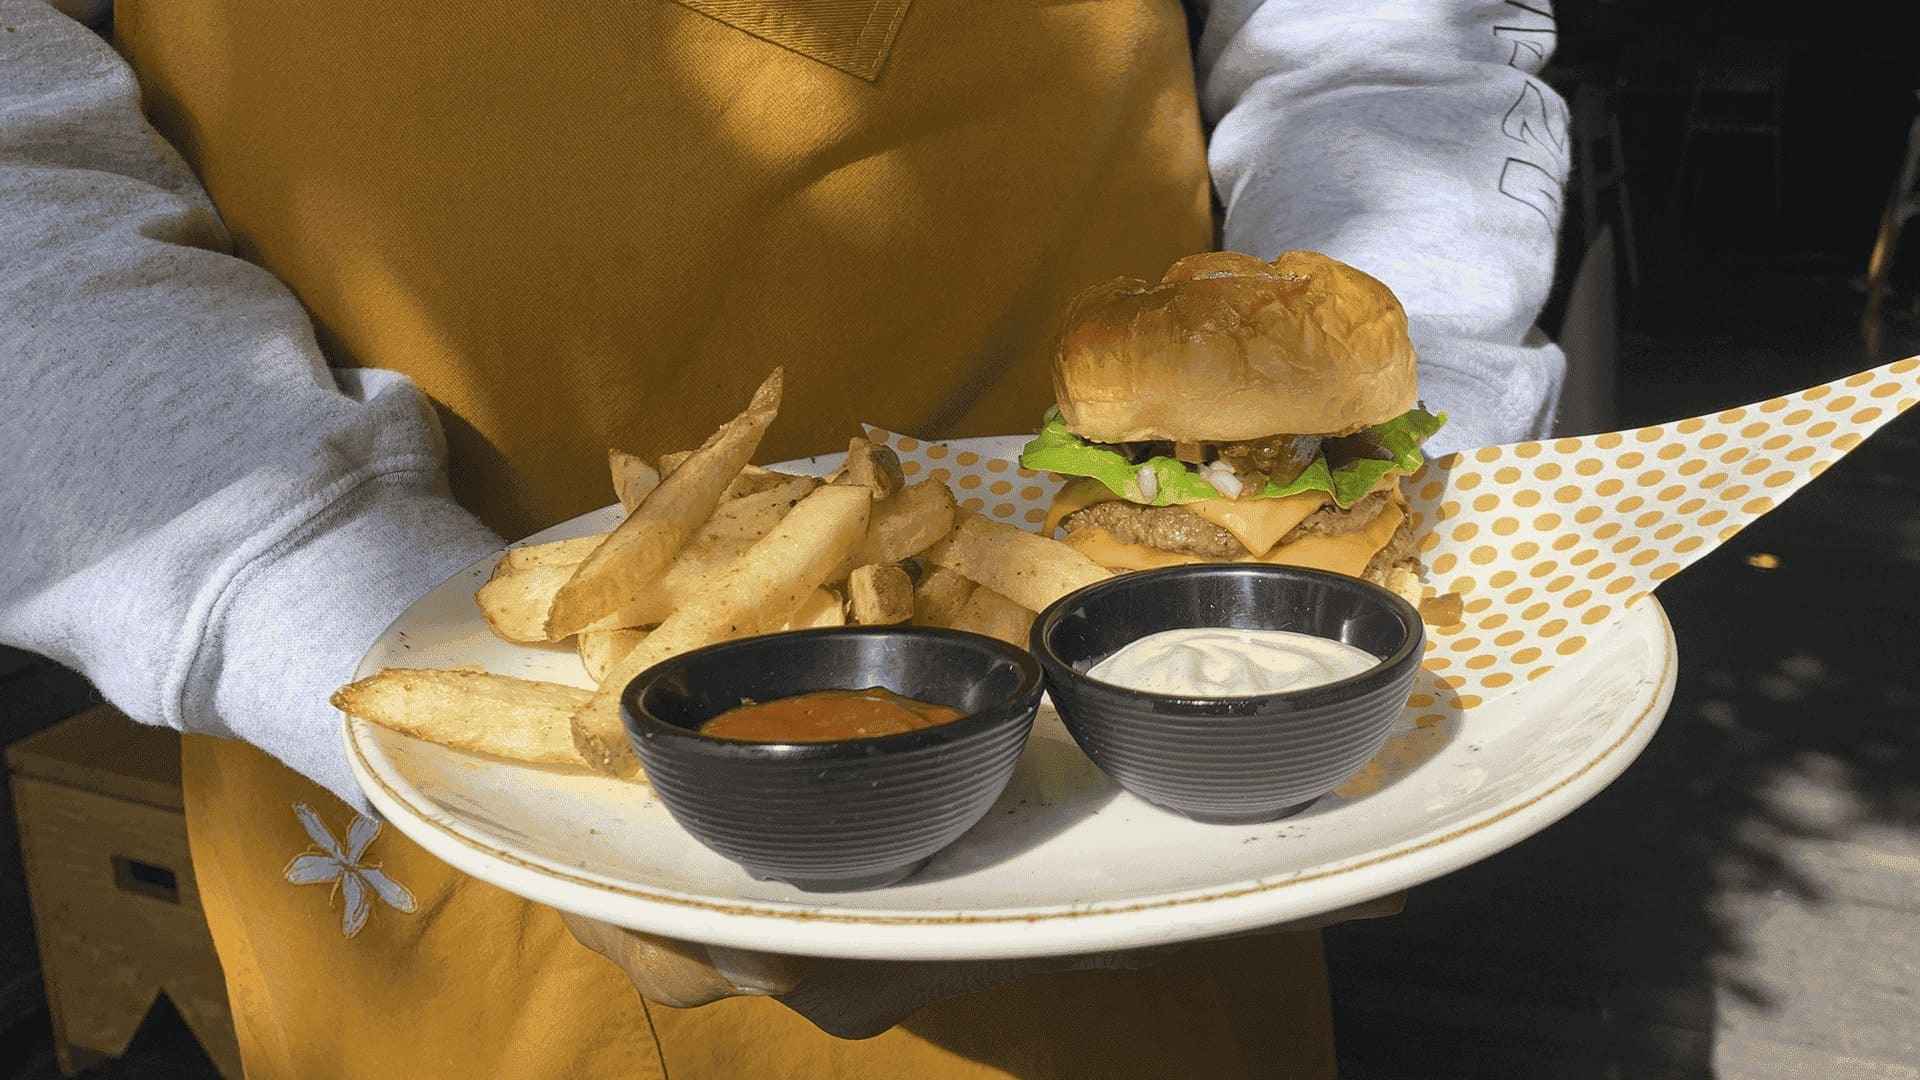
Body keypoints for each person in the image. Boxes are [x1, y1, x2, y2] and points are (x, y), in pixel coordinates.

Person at [0, 0, 1570, 1075]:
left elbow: (1391, 43)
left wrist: (1371, 421)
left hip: (1132, 784)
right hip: (390, 813)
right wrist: (301, 591)